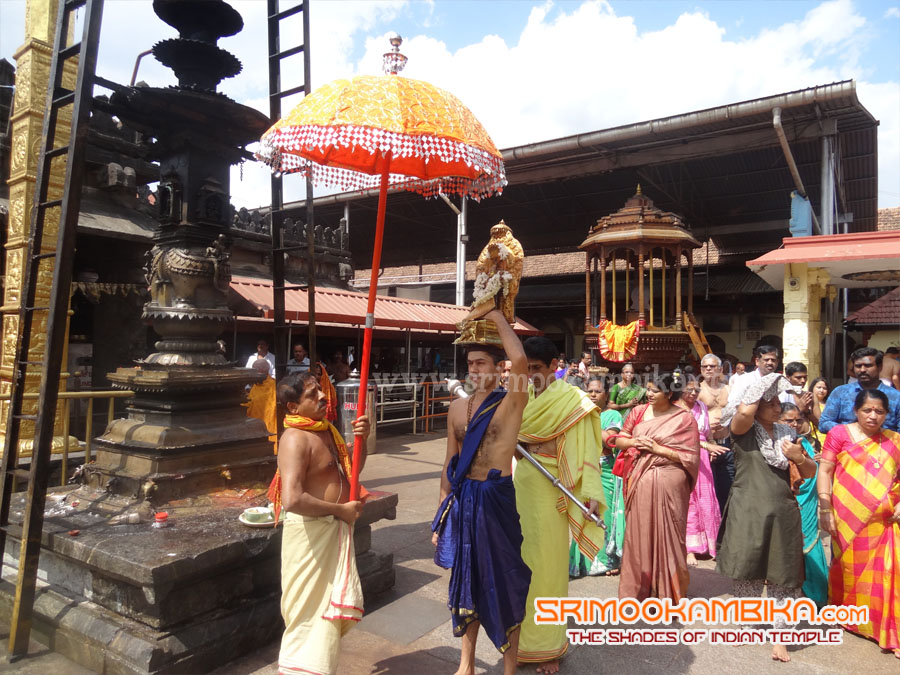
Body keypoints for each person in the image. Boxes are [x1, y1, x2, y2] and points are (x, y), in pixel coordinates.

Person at [432, 308, 531, 675]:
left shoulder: (510, 402)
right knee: (465, 582)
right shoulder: (457, 409)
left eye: (481, 363)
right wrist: (441, 513)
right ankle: (466, 664)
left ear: (496, 366)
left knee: (505, 581)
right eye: (470, 364)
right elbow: (450, 462)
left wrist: (496, 315)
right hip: (464, 501)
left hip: (495, 498)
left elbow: (519, 360)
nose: (474, 370)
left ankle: (509, 668)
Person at [516, 336, 605, 673]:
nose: (530, 376)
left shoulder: (573, 401)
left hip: (554, 490)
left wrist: (591, 495)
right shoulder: (521, 396)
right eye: (526, 369)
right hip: (523, 484)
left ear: (556, 367)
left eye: (536, 369)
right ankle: (520, 639)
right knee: (522, 563)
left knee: (548, 568)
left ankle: (547, 647)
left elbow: (585, 452)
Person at [272, 371, 371, 675]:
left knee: (325, 618)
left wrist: (362, 440)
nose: (323, 397)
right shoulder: (294, 439)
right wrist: (339, 511)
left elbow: (351, 471)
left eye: (320, 390)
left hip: (332, 533)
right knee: (308, 617)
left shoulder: (326, 430)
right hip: (310, 536)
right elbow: (291, 499)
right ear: (293, 407)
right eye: (312, 394)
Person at [716, 372, 816, 663]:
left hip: (783, 510)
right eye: (769, 400)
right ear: (756, 403)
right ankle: (746, 626)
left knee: (783, 577)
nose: (777, 405)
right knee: (746, 573)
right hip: (747, 509)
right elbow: (745, 409)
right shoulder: (742, 429)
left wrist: (798, 457)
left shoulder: (788, 434)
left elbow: (809, 471)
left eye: (777, 399)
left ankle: (781, 637)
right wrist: (768, 379)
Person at [818, 389, 900, 660]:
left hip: (885, 524)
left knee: (887, 573)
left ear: (887, 414)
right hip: (846, 518)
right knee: (848, 568)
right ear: (856, 410)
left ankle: (883, 626)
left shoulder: (894, 440)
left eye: (880, 411)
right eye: (867, 410)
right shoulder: (839, 434)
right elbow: (826, 471)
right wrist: (825, 507)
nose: (873, 416)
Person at [615, 373, 699, 601]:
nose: (649, 394)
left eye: (655, 390)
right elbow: (620, 440)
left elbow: (691, 456)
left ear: (669, 394)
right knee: (640, 531)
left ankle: (670, 591)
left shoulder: (684, 418)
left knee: (670, 533)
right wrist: (633, 442)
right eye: (648, 389)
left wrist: (658, 449)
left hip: (671, 479)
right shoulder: (638, 412)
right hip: (641, 477)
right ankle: (639, 589)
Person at [569, 376, 625, 578]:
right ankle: (582, 563)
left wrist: (592, 419)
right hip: (582, 472)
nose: (592, 394)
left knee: (603, 516)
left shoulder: (612, 416)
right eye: (589, 391)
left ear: (606, 395)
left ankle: (605, 562)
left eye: (597, 391)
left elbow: (610, 442)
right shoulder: (579, 414)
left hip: (604, 470)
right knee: (583, 516)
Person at [779, 402, 828, 608]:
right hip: (787, 502)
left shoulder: (804, 443)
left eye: (798, 420)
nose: (794, 424)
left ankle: (816, 597)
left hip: (808, 501)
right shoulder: (774, 444)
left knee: (810, 543)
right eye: (788, 420)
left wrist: (817, 461)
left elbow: (815, 472)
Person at [676, 375, 722, 566]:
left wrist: (712, 447)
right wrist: (705, 446)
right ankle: (689, 549)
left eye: (697, 390)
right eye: (690, 389)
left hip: (703, 461)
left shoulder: (701, 407)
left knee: (706, 501)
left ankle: (709, 546)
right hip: (683, 457)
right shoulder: (675, 409)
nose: (694, 393)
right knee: (690, 502)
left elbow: (708, 435)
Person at [819, 348, 900, 434]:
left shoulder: (895, 396)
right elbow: (824, 424)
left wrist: (878, 434)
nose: (862, 370)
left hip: (883, 445)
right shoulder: (840, 392)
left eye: (868, 365)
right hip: (847, 445)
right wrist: (853, 431)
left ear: (880, 367)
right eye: (858, 366)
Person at [698, 354, 733, 514]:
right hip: (706, 447)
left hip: (726, 443)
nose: (708, 369)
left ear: (720, 369)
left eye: (712, 366)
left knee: (727, 489)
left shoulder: (728, 389)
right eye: (705, 366)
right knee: (708, 491)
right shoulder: (697, 391)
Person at [726, 345, 780, 411]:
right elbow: (732, 403)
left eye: (773, 360)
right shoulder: (744, 380)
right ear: (757, 361)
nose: (770, 363)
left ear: (777, 362)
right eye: (766, 360)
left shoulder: (780, 381)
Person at [244, 358, 277, 440]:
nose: (253, 373)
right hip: (254, 426)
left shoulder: (274, 386)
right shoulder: (255, 386)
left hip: (269, 425)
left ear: (261, 370)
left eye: (255, 370)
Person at [807, 376, 830, 447]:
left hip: (828, 438)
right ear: (812, 388)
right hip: (814, 437)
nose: (821, 390)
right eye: (819, 387)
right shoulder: (808, 403)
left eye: (824, 388)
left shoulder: (830, 404)